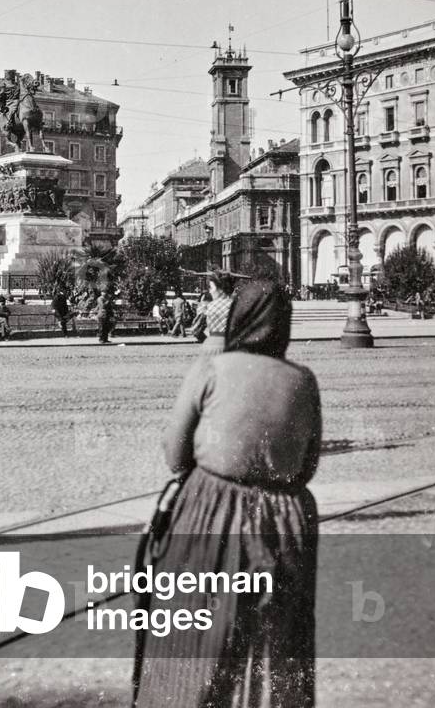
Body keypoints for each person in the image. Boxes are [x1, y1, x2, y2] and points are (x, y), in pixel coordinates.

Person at [134, 281, 321, 708]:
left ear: (238, 318)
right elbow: (307, 467)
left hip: (211, 511)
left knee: (193, 640)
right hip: (286, 519)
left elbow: (175, 454)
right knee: (280, 646)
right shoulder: (304, 381)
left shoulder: (211, 369)